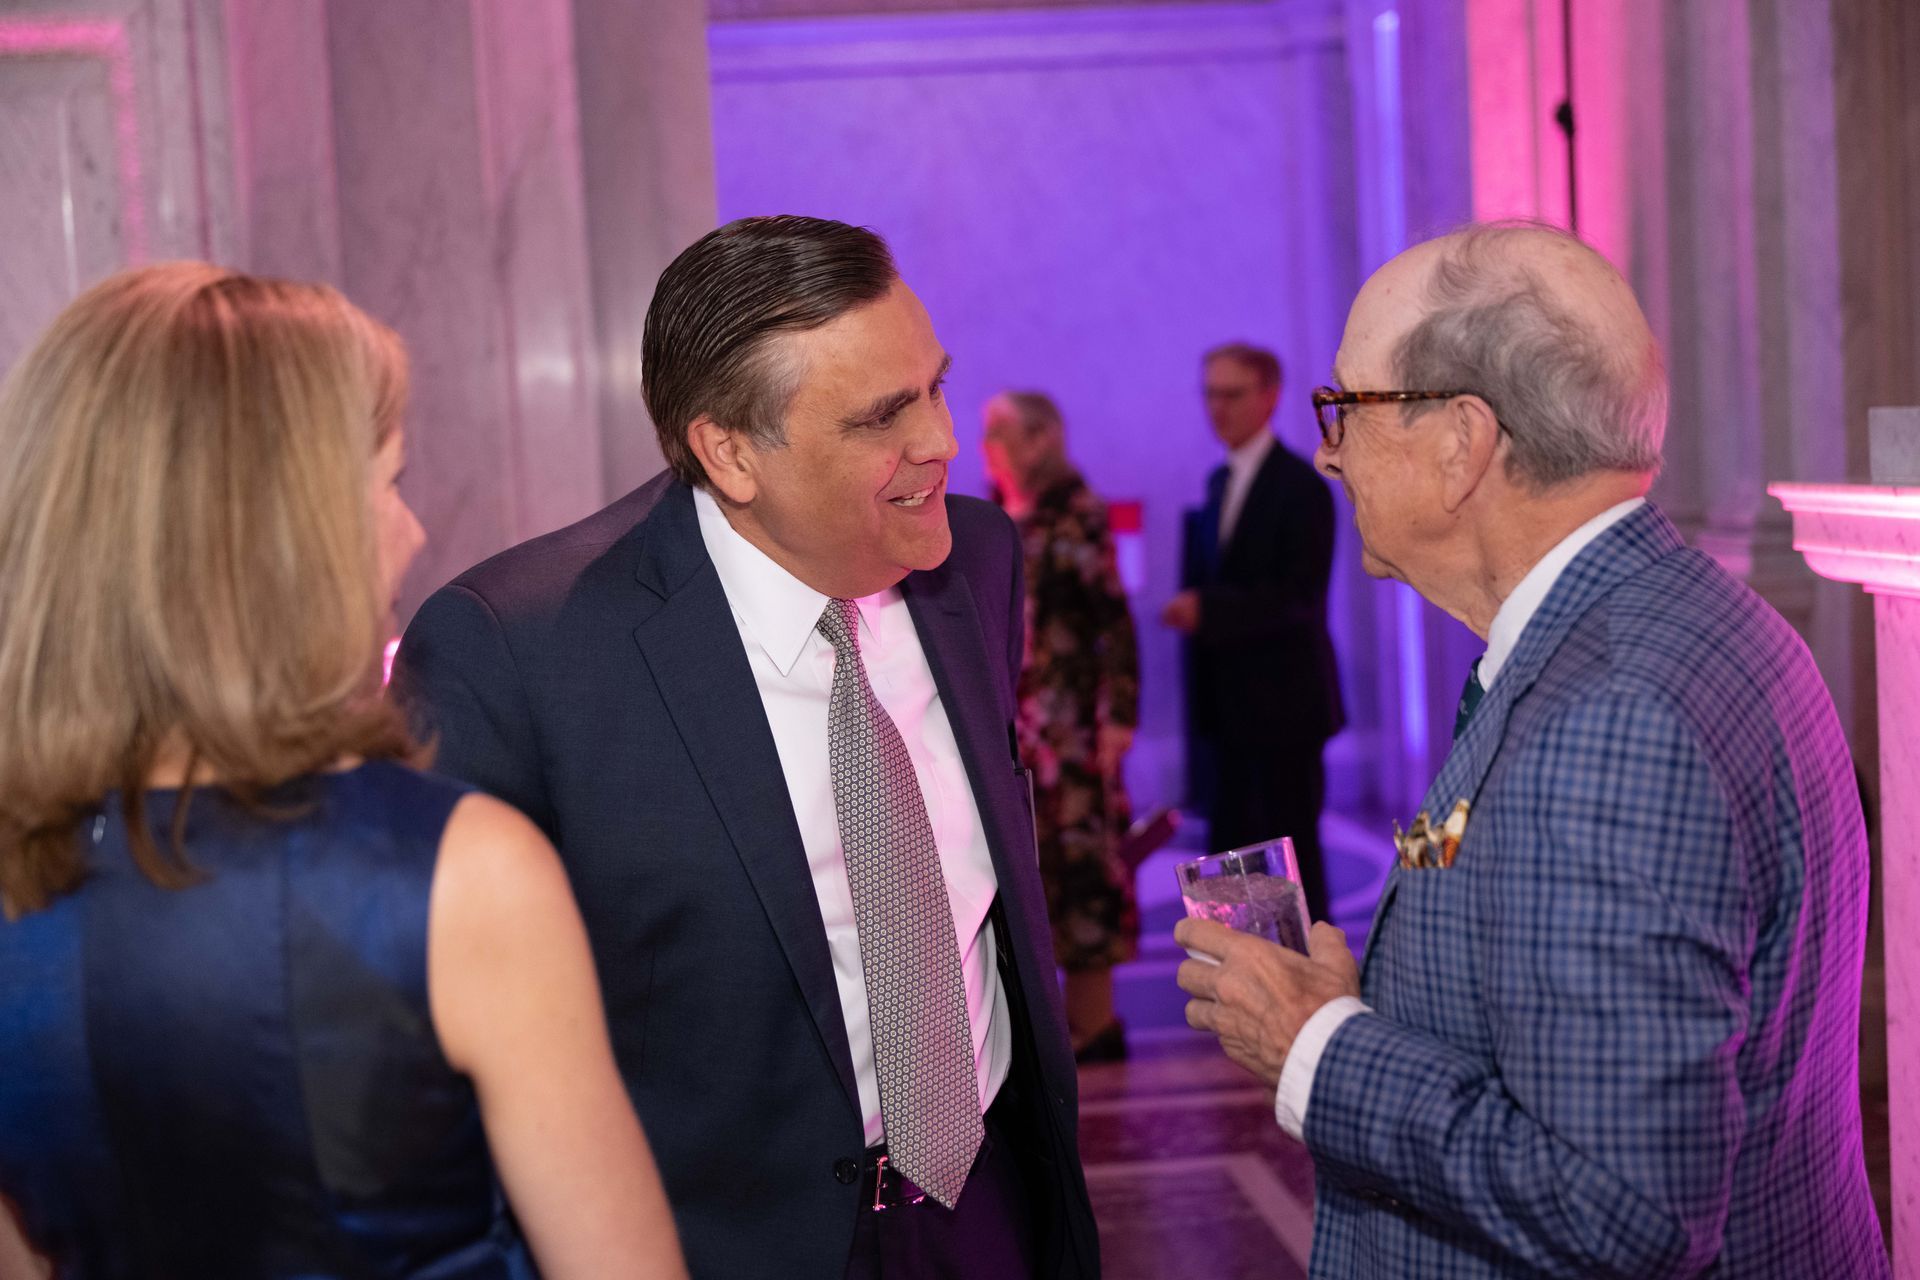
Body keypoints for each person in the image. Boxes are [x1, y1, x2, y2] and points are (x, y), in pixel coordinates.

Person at [1175, 223, 1889, 1278]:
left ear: (1463, 442)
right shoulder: (1687, 618)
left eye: (1347, 407)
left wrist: (1316, 1046)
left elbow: (1619, 1211)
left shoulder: (1613, 712)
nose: (1328, 450)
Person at [395, 216, 1101, 1279]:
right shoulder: (519, 647)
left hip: (991, 1207)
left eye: (935, 388)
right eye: (882, 416)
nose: (942, 442)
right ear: (730, 450)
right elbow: (434, 1049)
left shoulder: (978, 561)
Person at [0, 265, 685, 1277]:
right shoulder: (460, 875)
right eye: (390, 481)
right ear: (283, 536)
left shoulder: (19, 877)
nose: (413, 530)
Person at [983, 390, 1142, 1063]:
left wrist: (1124, 716)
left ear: (1041, 439)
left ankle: (1094, 1025)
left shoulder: (1077, 514)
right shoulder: (989, 516)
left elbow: (1114, 622)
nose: (986, 443)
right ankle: (1035, 1034)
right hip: (1012, 729)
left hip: (1070, 734)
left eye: (1000, 431)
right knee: (1021, 869)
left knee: (1080, 868)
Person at [1163, 342, 1343, 924]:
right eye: (1210, 394)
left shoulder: (1301, 485)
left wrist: (1208, 611)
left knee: (1291, 855)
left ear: (1269, 396)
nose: (1218, 408)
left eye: (1232, 394)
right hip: (1228, 709)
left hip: (1285, 707)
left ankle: (1316, 983)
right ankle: (1248, 980)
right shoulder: (1218, 482)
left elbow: (1297, 597)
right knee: (1231, 855)